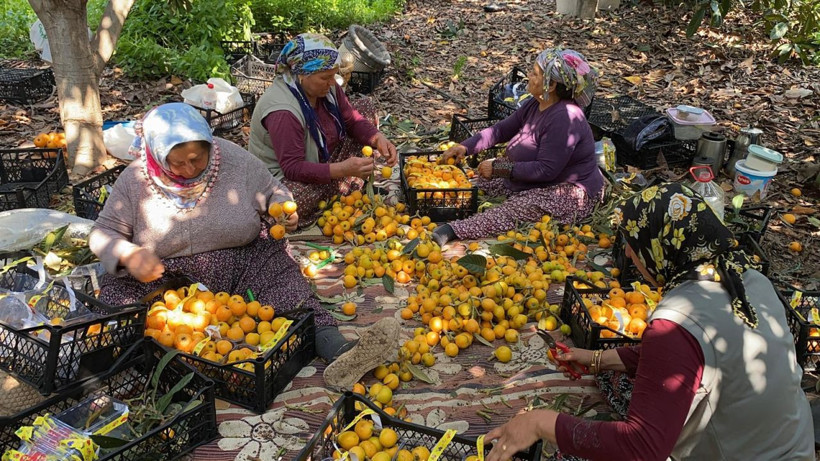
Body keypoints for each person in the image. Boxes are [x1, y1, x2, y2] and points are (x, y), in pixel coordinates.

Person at [482, 183, 814, 461]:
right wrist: (597, 359)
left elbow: (641, 449)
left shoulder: (675, 322)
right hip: (792, 447)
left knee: (573, 449)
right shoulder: (748, 279)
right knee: (617, 380)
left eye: (633, 243)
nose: (628, 254)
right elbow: (688, 360)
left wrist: (540, 423)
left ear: (660, 244)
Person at [88, 103, 399, 386]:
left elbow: (273, 189)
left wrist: (282, 209)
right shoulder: (135, 180)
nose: (190, 169)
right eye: (177, 162)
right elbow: (102, 233)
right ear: (157, 154)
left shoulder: (233, 159)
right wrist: (127, 254)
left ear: (209, 145)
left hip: (242, 261)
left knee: (287, 284)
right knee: (118, 306)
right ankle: (116, 372)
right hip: (166, 279)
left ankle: (337, 348)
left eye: (197, 158)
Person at [432, 49, 603, 246]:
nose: (528, 76)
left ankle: (455, 230)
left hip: (566, 189)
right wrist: (465, 147)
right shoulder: (536, 103)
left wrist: (499, 168)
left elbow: (546, 170)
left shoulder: (565, 118)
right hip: (532, 178)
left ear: (551, 85)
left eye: (534, 73)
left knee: (517, 209)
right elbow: (501, 130)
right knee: (476, 185)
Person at [248, 33, 398, 227]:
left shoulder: (328, 87)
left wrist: (377, 138)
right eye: (325, 77)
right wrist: (342, 169)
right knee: (291, 203)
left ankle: (342, 187)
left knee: (364, 108)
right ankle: (339, 189)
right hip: (283, 179)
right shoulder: (283, 112)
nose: (332, 82)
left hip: (321, 156)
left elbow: (351, 120)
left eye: (333, 75)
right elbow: (293, 168)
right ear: (302, 74)